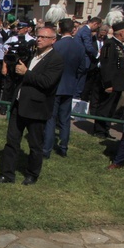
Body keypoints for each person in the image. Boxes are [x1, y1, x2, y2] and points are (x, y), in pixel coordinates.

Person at [0, 26, 64, 185]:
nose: (39, 39)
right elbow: (18, 76)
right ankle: (7, 174)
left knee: (35, 145)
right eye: (38, 36)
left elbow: (47, 82)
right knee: (12, 141)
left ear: (53, 40)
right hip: (19, 105)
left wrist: (26, 72)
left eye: (44, 37)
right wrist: (11, 63)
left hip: (37, 108)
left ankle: (32, 174)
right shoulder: (32, 54)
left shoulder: (56, 59)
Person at [43, 19, 86, 158]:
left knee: (51, 118)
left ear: (60, 30)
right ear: (73, 29)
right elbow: (82, 68)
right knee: (65, 119)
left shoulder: (56, 45)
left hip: (55, 85)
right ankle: (63, 147)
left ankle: (46, 149)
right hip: (69, 86)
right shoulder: (79, 46)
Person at [93, 20, 124, 138]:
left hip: (118, 83)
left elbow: (119, 65)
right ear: (121, 32)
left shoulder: (119, 45)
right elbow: (106, 64)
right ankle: (99, 130)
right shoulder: (110, 44)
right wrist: (108, 84)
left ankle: (106, 129)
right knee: (105, 107)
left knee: (111, 108)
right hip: (110, 84)